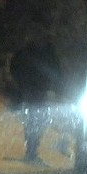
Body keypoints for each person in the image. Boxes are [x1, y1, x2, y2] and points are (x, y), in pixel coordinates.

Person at [9, 35, 63, 163]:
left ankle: (31, 149)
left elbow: (15, 67)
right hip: (38, 91)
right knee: (37, 121)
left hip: (33, 90)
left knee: (33, 121)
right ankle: (32, 150)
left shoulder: (27, 52)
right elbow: (57, 72)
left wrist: (22, 82)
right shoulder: (48, 53)